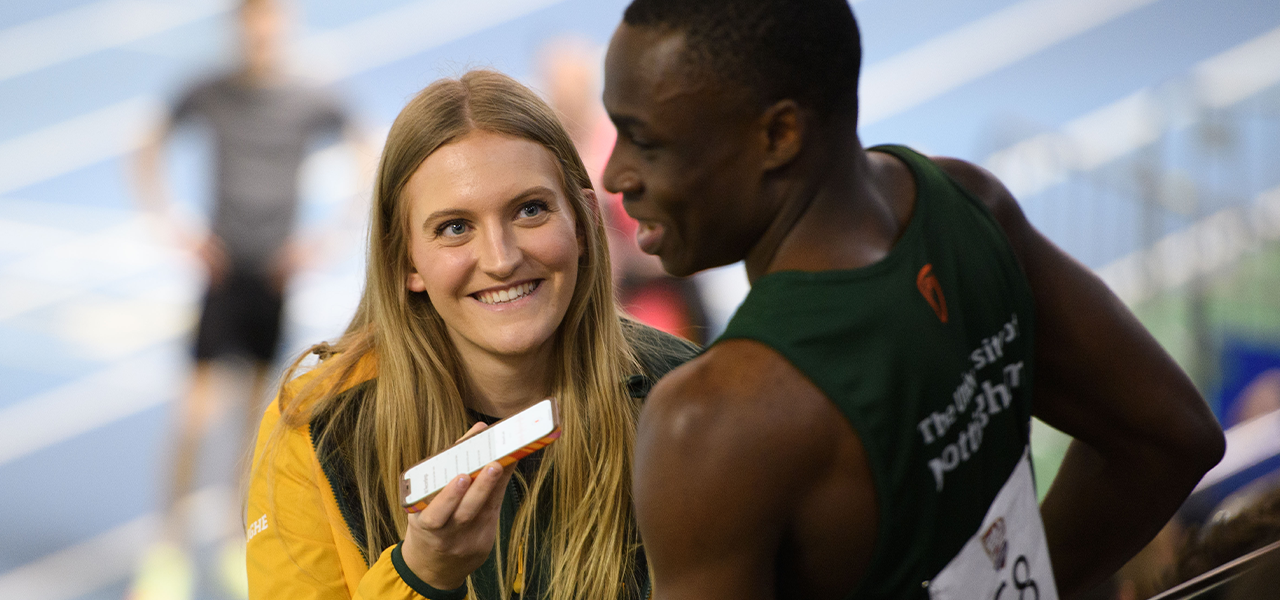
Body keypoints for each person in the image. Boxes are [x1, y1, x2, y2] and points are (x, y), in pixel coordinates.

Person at [599, 1, 1227, 599]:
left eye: (645, 142)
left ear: (779, 134)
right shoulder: (971, 203)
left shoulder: (711, 420)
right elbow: (1170, 437)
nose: (615, 175)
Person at [245, 69, 698, 600]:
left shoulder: (687, 397)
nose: (501, 260)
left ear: (581, 222)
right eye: (455, 227)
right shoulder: (314, 425)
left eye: (530, 210)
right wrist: (422, 575)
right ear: (405, 261)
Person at [129, 0, 363, 597]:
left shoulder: (309, 97)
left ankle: (238, 544)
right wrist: (171, 224)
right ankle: (169, 549)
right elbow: (147, 141)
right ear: (239, 29)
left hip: (275, 278)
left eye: (271, 24)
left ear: (283, 29)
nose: (262, 35)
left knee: (253, 425)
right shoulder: (211, 91)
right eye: (252, 25)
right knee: (195, 417)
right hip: (223, 274)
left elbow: (367, 149)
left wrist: (325, 239)